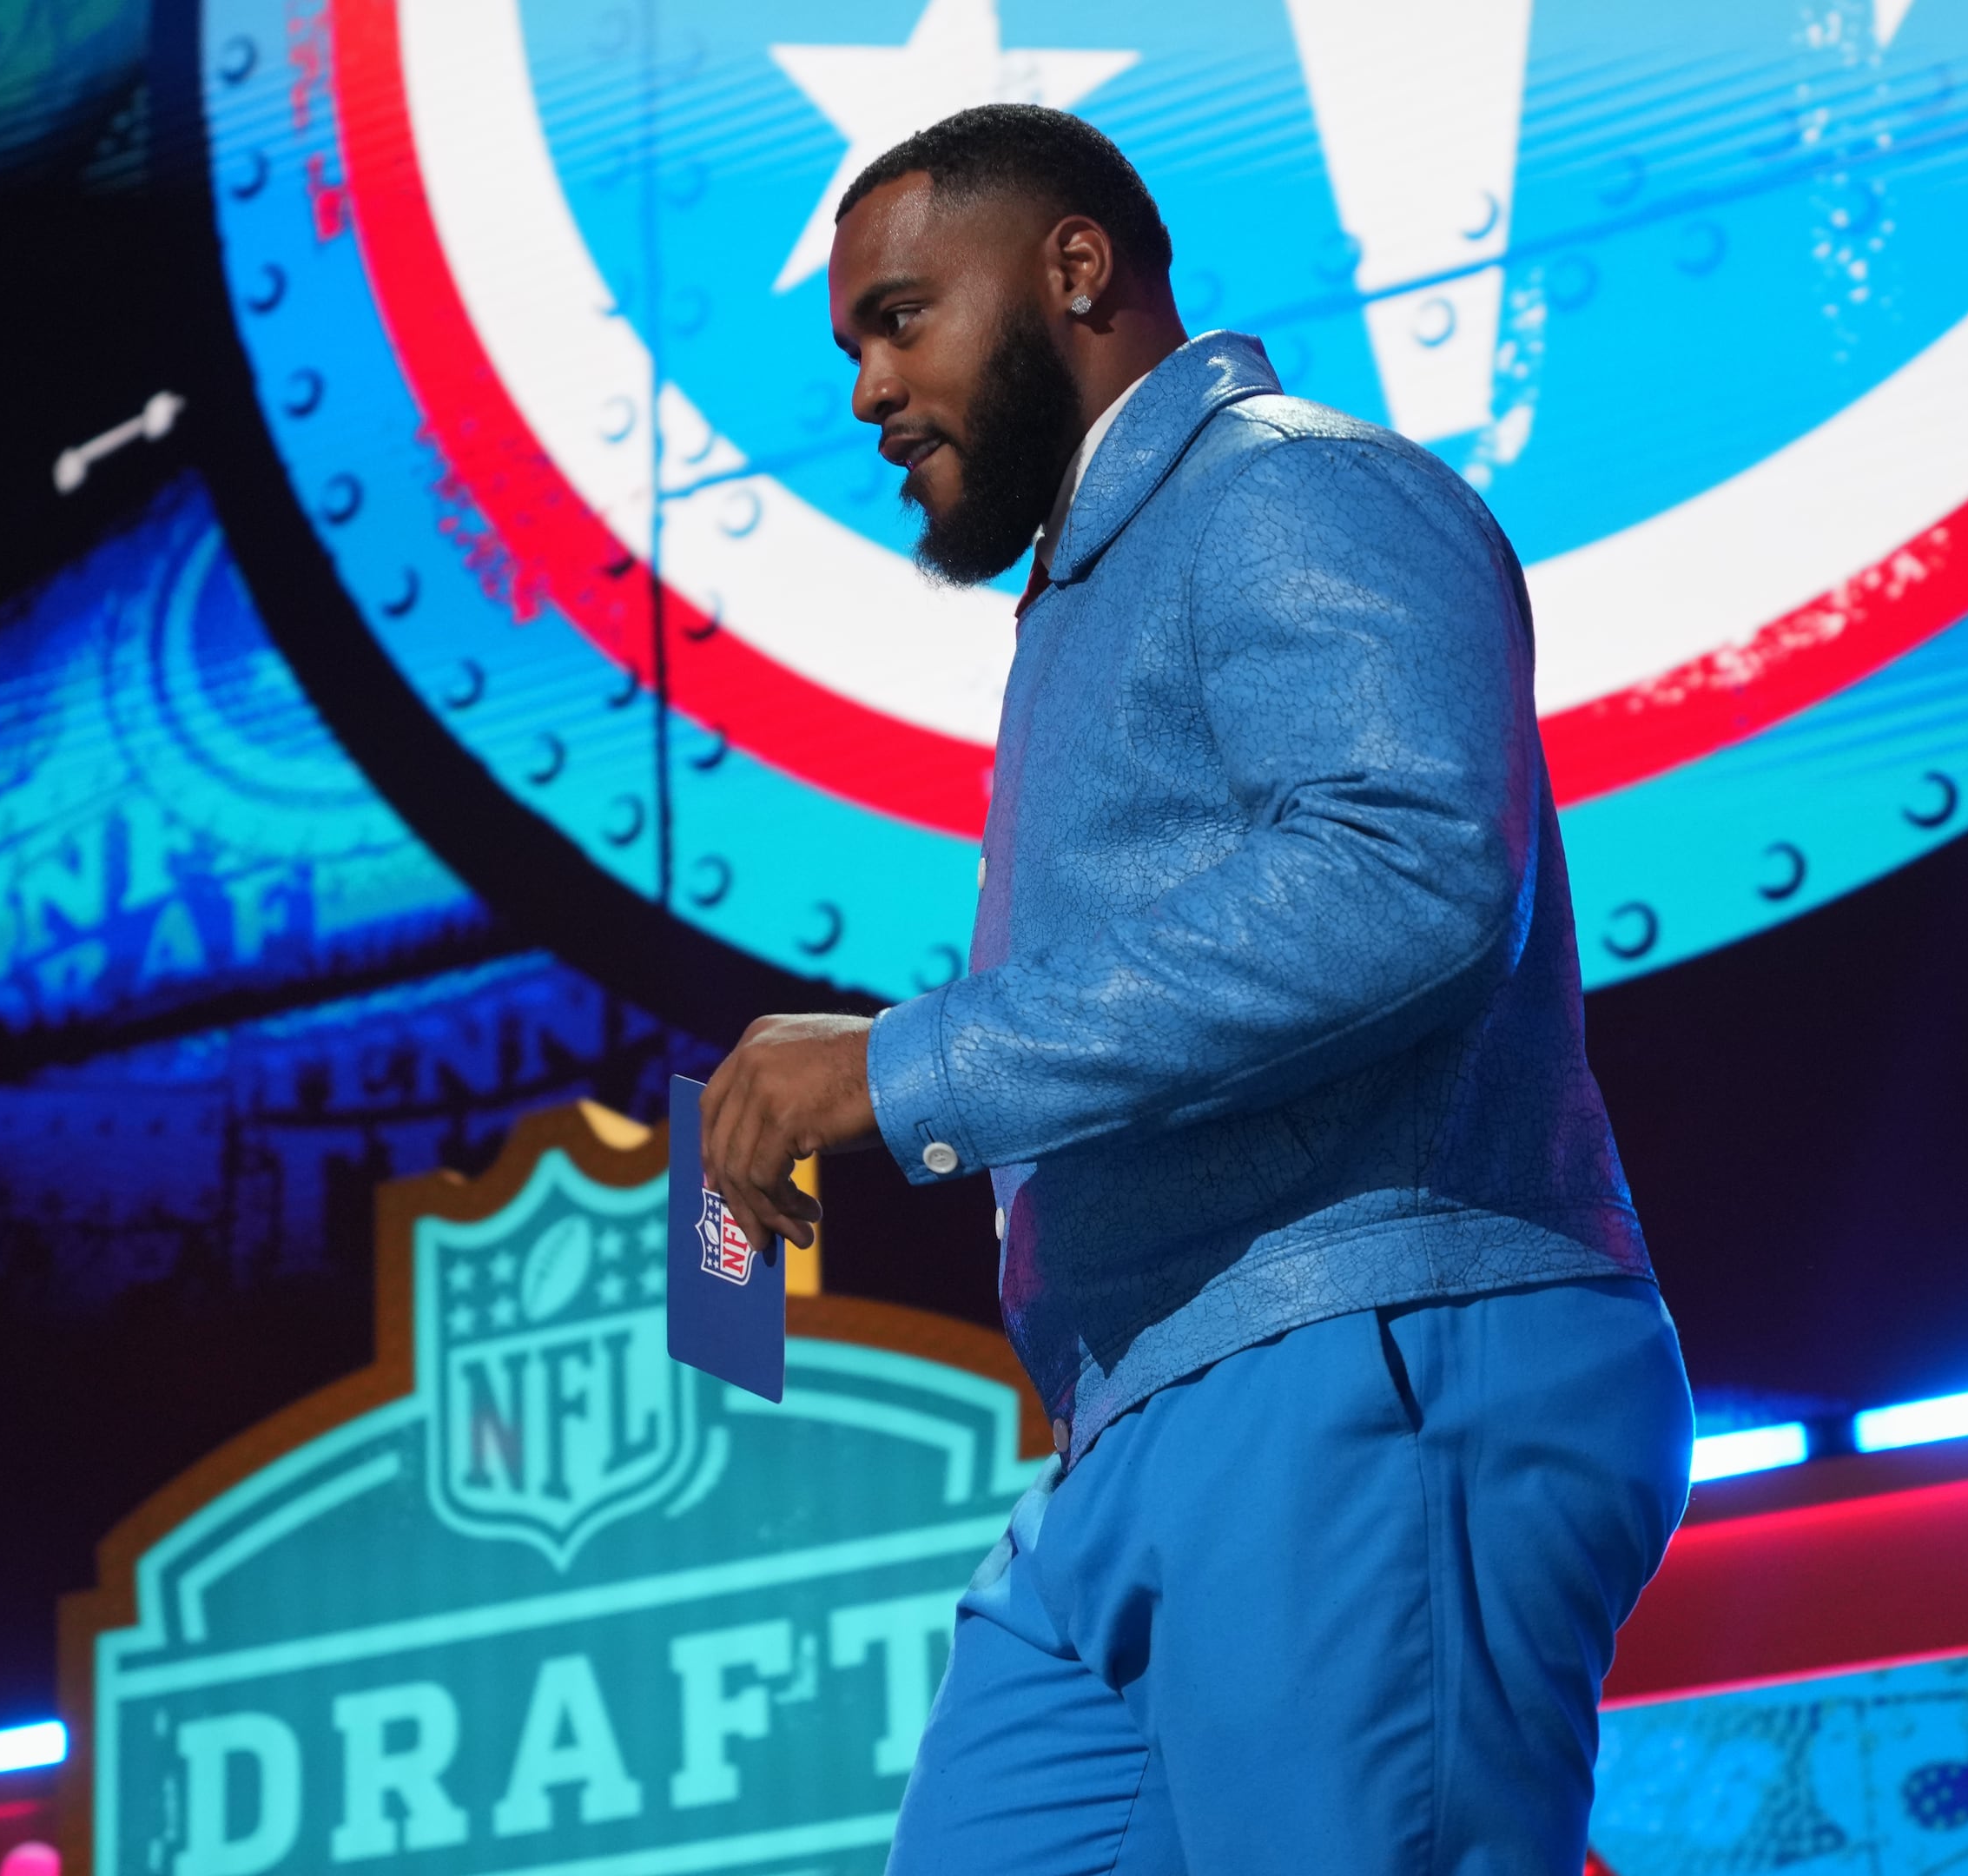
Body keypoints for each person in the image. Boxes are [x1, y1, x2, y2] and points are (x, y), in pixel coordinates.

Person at [696, 104, 1691, 1875]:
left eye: (901, 319)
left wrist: (903, 1070)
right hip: (1146, 1427)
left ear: (1075, 269)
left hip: (1362, 1347)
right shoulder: (1100, 578)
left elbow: (1410, 875)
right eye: (854, 344)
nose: (868, 389)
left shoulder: (1281, 484)